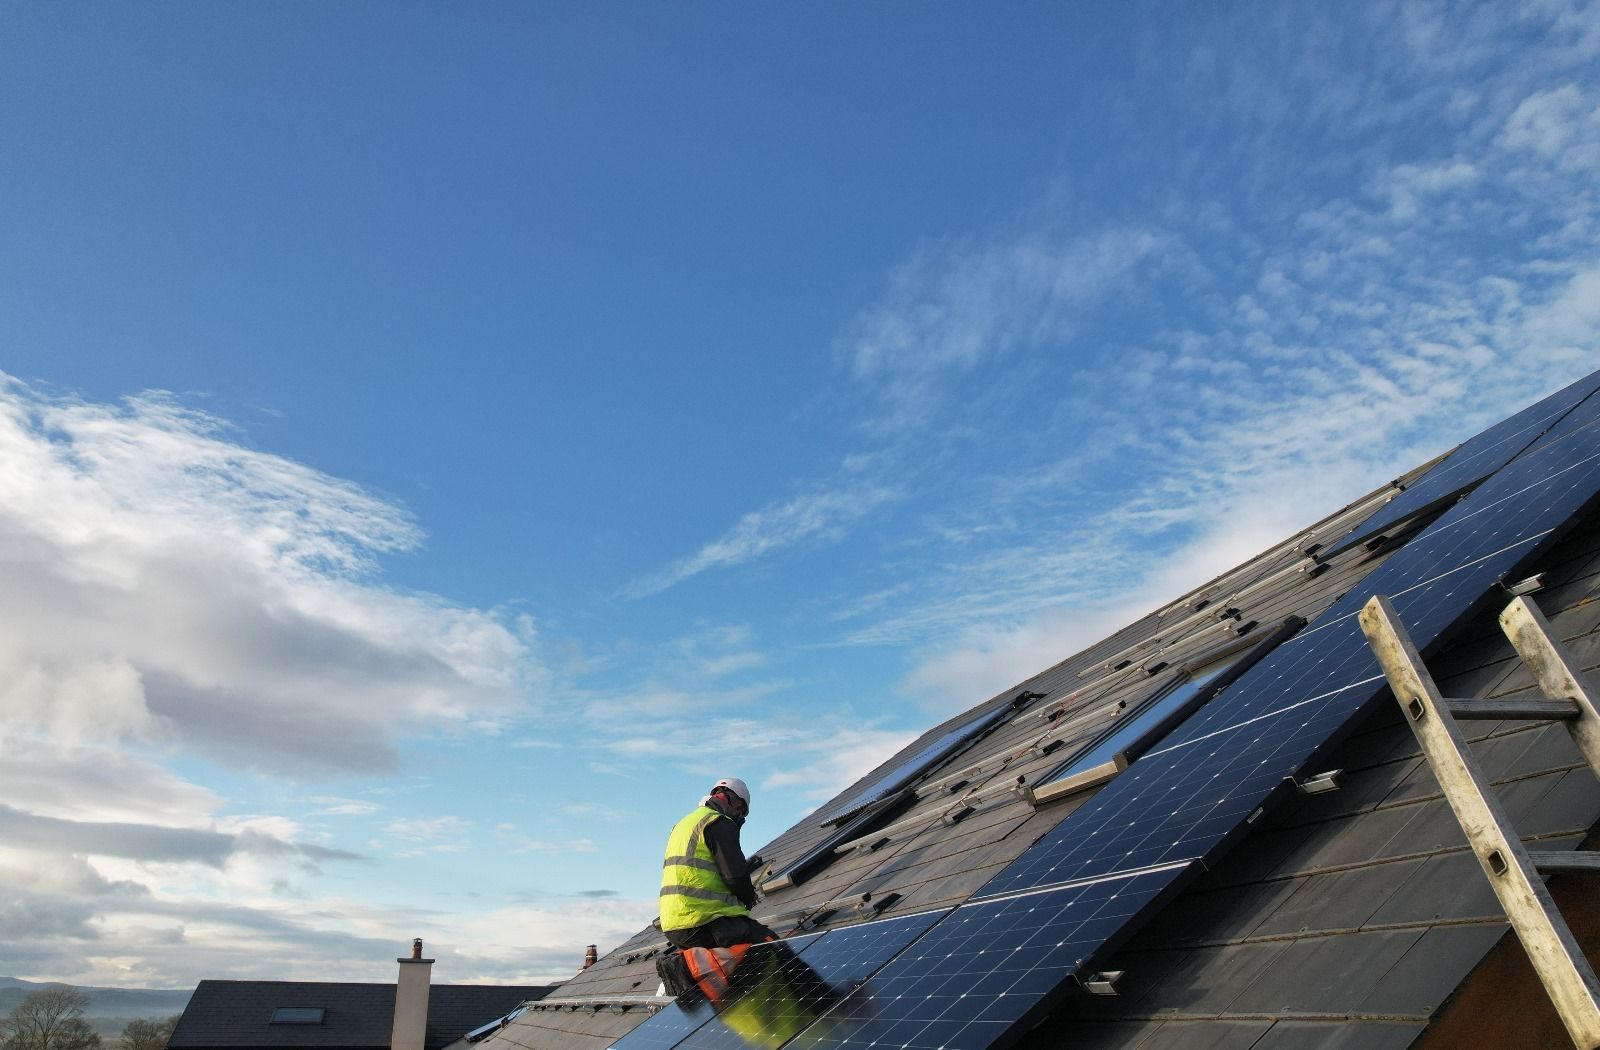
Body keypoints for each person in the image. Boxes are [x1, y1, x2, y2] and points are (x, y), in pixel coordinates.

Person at [660, 777, 775, 949]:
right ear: (731, 797)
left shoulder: (684, 824)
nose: (738, 814)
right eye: (740, 808)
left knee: (731, 970)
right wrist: (749, 897)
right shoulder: (718, 822)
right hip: (706, 918)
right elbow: (735, 875)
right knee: (773, 946)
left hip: (674, 922)